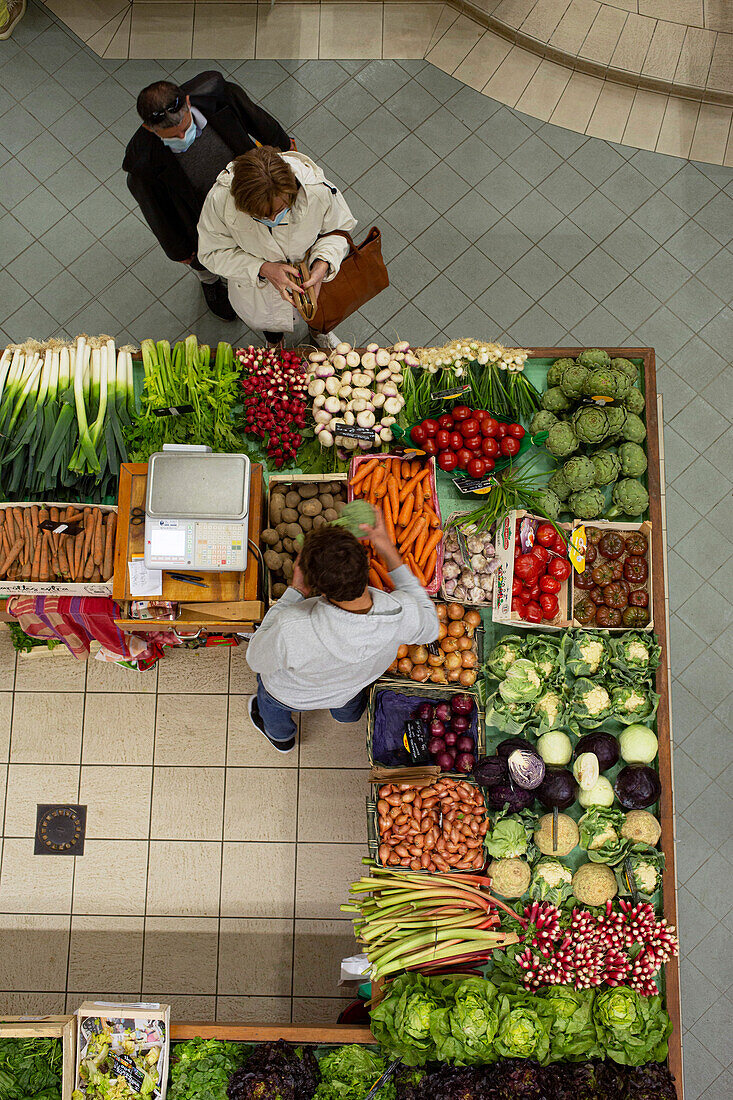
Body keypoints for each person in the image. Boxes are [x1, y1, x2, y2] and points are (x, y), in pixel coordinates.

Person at [245, 509, 439, 752]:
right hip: (348, 690)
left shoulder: (291, 626)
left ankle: (282, 739)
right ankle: (345, 716)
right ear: (367, 565)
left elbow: (256, 660)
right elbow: (431, 625)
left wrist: (294, 592)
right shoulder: (401, 613)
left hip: (289, 694)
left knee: (271, 706)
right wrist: (387, 549)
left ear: (318, 588)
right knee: (348, 704)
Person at [123, 72, 293, 322]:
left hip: (247, 185)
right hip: (197, 209)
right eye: (172, 136)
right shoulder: (142, 162)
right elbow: (155, 210)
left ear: (188, 104)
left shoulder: (219, 93)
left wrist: (283, 147)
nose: (184, 139)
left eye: (185, 128)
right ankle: (210, 282)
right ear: (150, 128)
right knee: (205, 257)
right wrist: (179, 250)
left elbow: (255, 118)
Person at [197, 145, 356, 349]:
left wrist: (323, 262)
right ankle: (274, 341)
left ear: (292, 192)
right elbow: (212, 252)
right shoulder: (220, 200)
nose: (273, 219)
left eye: (279, 210)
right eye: (262, 217)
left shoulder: (316, 189)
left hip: (310, 274)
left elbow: (338, 228)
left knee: (319, 311)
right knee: (268, 322)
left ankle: (318, 332)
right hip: (258, 289)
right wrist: (261, 269)